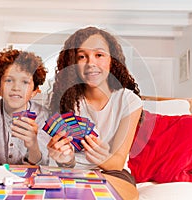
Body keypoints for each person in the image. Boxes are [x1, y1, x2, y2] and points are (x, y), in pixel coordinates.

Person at [48, 26, 143, 185]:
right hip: (73, 172)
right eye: (82, 57)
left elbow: (117, 163)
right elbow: (67, 162)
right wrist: (65, 158)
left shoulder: (129, 101)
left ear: (112, 60)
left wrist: (97, 155)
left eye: (99, 55)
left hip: (113, 173)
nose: (91, 63)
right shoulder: (65, 100)